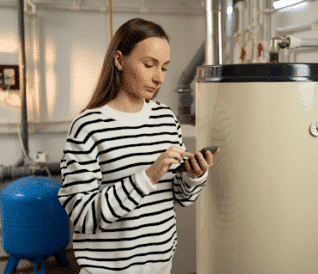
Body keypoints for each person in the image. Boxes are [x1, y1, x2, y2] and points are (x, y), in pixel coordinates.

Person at [58, 18, 218, 274]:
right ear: (120, 60)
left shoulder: (165, 119)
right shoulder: (88, 126)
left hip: (160, 267)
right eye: (149, 65)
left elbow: (178, 196)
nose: (158, 78)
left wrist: (193, 176)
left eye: (165, 68)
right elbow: (84, 216)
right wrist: (147, 176)